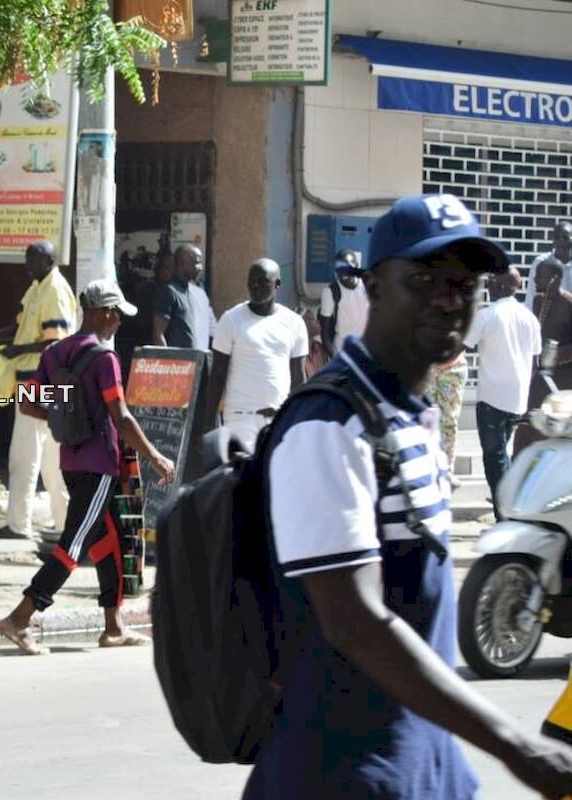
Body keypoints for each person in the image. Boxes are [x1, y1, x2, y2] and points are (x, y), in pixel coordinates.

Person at [244, 193, 572, 800]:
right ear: (371, 287)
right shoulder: (330, 423)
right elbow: (355, 620)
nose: (448, 299)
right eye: (422, 280)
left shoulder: (407, 414)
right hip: (340, 776)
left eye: (463, 283)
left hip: (426, 768)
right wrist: (514, 743)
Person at [0, 280, 175, 655]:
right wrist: (156, 457)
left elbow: (28, 404)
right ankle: (19, 617)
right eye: (117, 315)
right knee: (74, 544)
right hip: (100, 467)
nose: (119, 323)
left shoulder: (55, 352)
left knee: (108, 543)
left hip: (72, 461)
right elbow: (122, 417)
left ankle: (113, 627)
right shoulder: (104, 359)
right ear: (104, 313)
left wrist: (66, 422)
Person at [0, 240, 74, 541]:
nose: (27, 265)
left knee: (25, 454)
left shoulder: (54, 290)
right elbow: (21, 327)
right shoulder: (38, 287)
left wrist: (17, 351)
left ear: (49, 260)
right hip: (39, 382)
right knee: (52, 457)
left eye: (32, 259)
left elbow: (58, 342)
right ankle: (64, 523)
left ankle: (18, 525)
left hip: (41, 383)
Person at [202, 258, 309, 452]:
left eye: (262, 281)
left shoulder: (294, 323)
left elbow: (299, 378)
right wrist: (210, 421)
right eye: (251, 280)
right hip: (240, 420)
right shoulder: (231, 320)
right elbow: (217, 374)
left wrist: (298, 418)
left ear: (278, 284)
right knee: (243, 481)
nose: (255, 285)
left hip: (279, 419)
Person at [463, 267, 541, 520]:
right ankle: (509, 512)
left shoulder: (488, 315)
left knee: (494, 460)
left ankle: (506, 517)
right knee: (501, 457)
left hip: (492, 400)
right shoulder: (529, 317)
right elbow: (536, 362)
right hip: (517, 400)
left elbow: (462, 346)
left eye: (492, 282)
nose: (488, 286)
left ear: (502, 287)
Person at [514, 257, 572, 456]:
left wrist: (555, 356)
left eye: (540, 275)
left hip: (562, 385)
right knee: (527, 429)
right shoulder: (539, 302)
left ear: (554, 278)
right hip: (538, 381)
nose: (536, 280)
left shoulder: (569, 303)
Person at [424, 350, 468, 488]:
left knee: (449, 422)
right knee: (425, 419)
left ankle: (447, 470)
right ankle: (426, 466)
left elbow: (462, 339)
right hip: (426, 366)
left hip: (452, 366)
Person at [318, 249, 369, 359]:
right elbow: (324, 331)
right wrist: (333, 357)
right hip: (342, 353)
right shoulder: (331, 292)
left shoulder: (368, 286)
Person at [151, 245, 203, 350]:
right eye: (197, 263)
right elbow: (158, 334)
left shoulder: (189, 292)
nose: (200, 267)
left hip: (190, 362)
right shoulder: (169, 291)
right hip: (176, 364)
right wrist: (166, 362)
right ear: (183, 264)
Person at [524, 220, 572, 310]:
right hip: (547, 320)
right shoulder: (541, 262)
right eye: (557, 237)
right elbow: (531, 297)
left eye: (565, 237)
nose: (561, 241)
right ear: (553, 240)